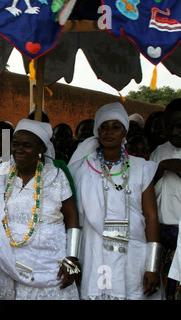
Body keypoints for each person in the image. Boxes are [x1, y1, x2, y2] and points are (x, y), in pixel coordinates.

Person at [0, 118, 81, 300]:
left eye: (27, 145)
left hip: (51, 270)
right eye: (15, 144)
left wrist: (71, 259)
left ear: (40, 149)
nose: (19, 150)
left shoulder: (56, 176)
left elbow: (72, 219)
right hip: (9, 268)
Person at [68, 102, 163, 300]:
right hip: (94, 251)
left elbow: (151, 216)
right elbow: (74, 216)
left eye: (116, 127)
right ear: (97, 131)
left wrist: (152, 265)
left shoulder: (142, 167)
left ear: (125, 132)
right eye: (104, 127)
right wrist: (72, 257)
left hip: (133, 252)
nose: (109, 132)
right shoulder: (84, 168)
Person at [149, 98, 181, 300]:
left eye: (180, 126)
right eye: (170, 126)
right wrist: (162, 168)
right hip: (163, 235)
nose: (175, 132)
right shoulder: (159, 153)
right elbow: (144, 192)